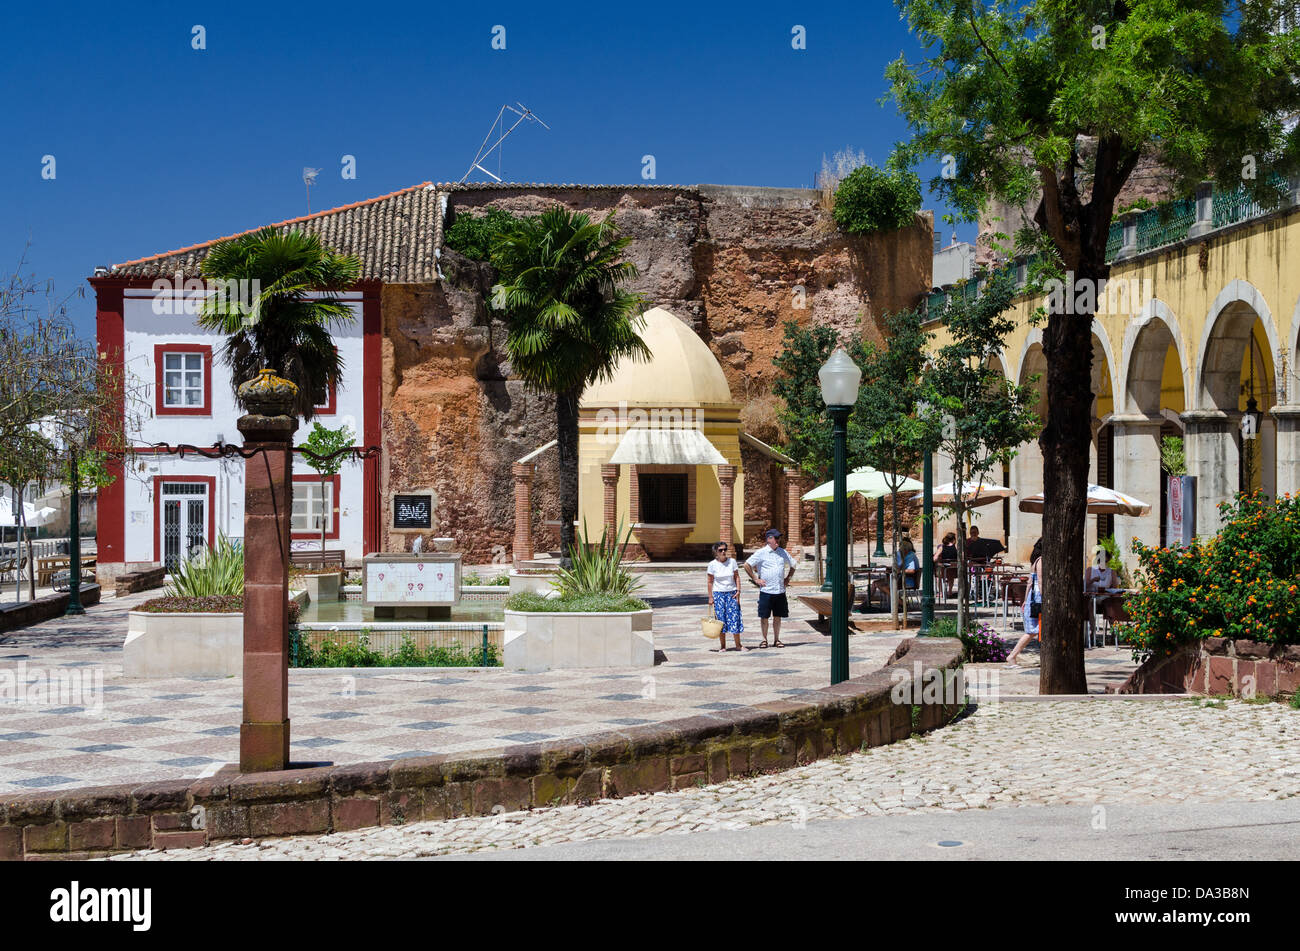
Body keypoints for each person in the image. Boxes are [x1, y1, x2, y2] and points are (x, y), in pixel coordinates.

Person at [744, 528, 796, 648]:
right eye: (776, 538)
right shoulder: (761, 553)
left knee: (777, 617)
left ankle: (777, 639)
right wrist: (755, 579)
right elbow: (747, 565)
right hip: (766, 591)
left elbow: (793, 564)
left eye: (779, 538)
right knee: (764, 617)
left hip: (779, 591)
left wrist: (788, 578)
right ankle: (764, 640)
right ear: (769, 539)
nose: (778, 540)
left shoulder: (782, 552)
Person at [1006, 538, 1043, 667]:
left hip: (1034, 600)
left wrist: (1025, 600)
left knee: (1038, 630)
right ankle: (1012, 656)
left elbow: (1029, 584)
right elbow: (1040, 582)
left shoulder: (1036, 561)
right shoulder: (1041, 561)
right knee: (1032, 631)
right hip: (1038, 600)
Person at [705, 541, 744, 652]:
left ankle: (738, 645)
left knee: (735, 617)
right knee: (721, 620)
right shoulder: (712, 564)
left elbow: (737, 577)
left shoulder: (732, 562)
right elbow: (709, 581)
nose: (723, 552)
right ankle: (723, 646)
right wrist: (710, 597)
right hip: (718, 594)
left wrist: (738, 590)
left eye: (724, 549)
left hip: (732, 593)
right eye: (720, 550)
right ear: (716, 552)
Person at [1084, 546, 1121, 646]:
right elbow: (1084, 586)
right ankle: (1093, 633)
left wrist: (1110, 590)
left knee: (1110, 603)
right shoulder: (1090, 570)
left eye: (1105, 560)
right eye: (1101, 560)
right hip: (1092, 597)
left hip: (1104, 597)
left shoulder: (1111, 572)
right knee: (1090, 603)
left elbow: (1115, 588)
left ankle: (1114, 634)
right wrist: (1092, 580)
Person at [871, 536, 920, 608]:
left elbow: (911, 570)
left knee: (884, 587)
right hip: (900, 578)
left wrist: (899, 571)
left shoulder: (910, 556)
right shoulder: (905, 555)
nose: (900, 550)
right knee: (876, 583)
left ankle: (902, 603)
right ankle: (867, 602)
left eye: (901, 548)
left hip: (907, 580)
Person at [934, 532, 958, 597]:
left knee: (938, 577)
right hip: (953, 572)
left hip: (943, 571)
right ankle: (950, 591)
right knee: (951, 577)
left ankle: (941, 592)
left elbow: (935, 558)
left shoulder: (942, 547)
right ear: (954, 540)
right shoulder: (955, 547)